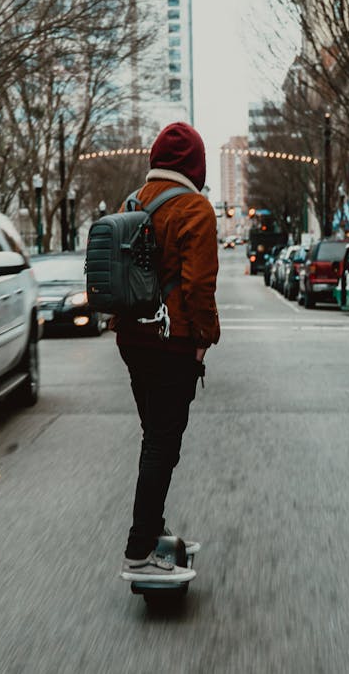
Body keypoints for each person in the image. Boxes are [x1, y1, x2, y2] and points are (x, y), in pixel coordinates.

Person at [117, 122, 220, 582]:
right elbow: (198, 284)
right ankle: (140, 549)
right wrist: (204, 339)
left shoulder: (131, 203)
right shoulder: (195, 208)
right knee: (163, 440)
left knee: (154, 436)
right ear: (195, 165)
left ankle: (153, 530)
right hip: (172, 339)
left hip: (131, 340)